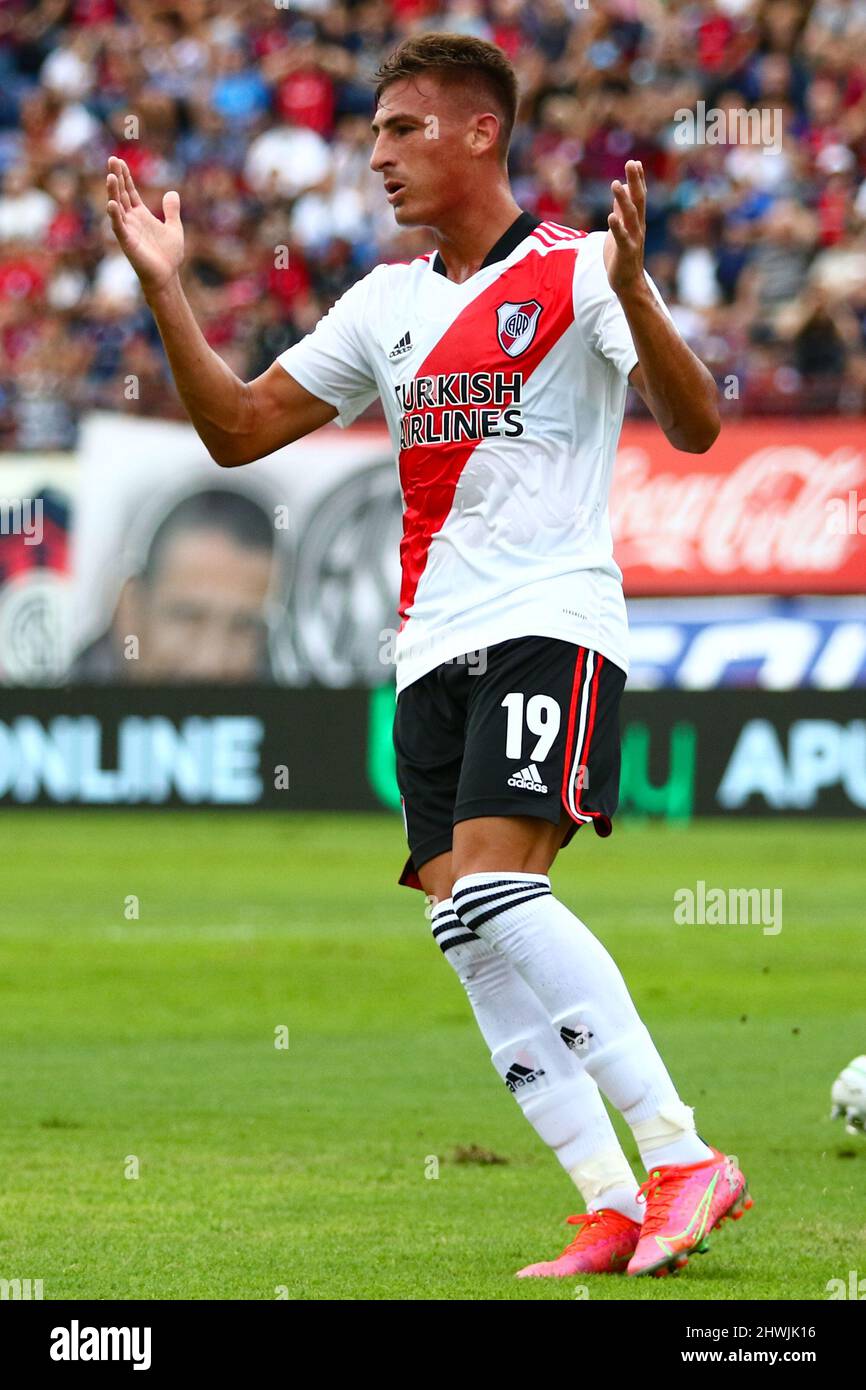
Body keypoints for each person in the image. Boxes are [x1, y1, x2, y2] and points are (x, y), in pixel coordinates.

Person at [107, 31, 750, 1280]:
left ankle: (681, 1155)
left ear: (478, 132)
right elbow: (239, 429)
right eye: (372, 135)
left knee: (505, 894)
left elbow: (696, 421)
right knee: (463, 927)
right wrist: (164, 289)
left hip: (547, 621)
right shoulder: (387, 303)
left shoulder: (576, 272)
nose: (378, 155)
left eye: (401, 129)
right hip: (431, 650)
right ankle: (611, 1200)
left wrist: (631, 292)